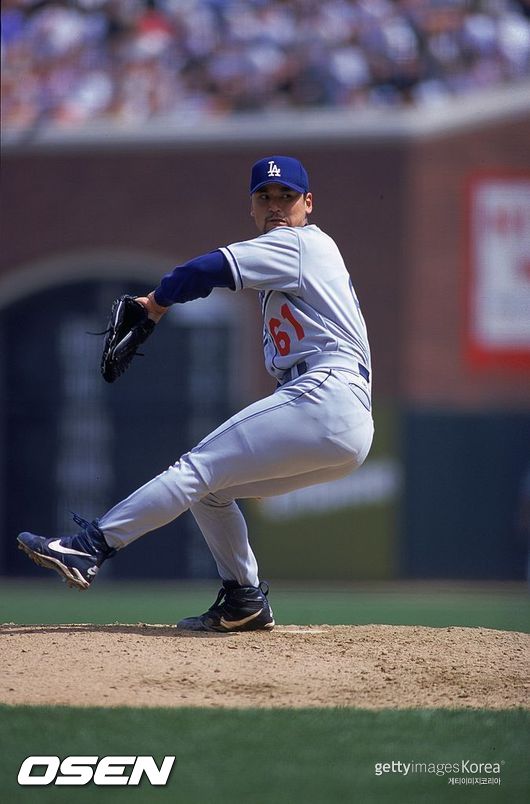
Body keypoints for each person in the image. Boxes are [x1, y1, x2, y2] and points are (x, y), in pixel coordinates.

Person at [17, 155, 374, 632]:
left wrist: (155, 304)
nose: (275, 206)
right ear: (251, 205)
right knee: (211, 490)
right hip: (343, 419)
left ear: (307, 204)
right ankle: (243, 598)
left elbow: (201, 271)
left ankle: (90, 547)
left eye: (286, 197)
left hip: (326, 392)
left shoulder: (300, 244)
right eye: (264, 197)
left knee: (196, 468)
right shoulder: (293, 258)